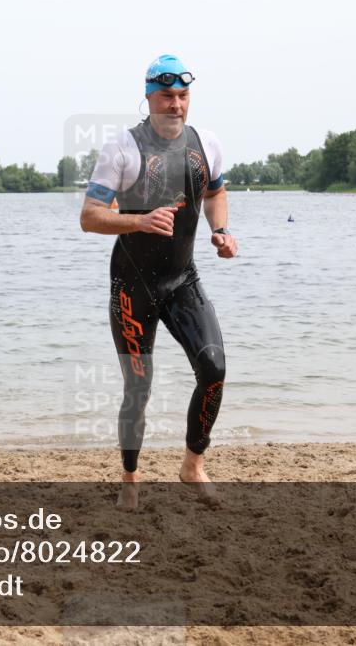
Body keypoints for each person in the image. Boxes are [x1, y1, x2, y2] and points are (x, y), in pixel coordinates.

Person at [79, 54, 238, 508]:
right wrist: (138, 220)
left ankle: (193, 466)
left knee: (214, 370)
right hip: (133, 285)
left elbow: (216, 191)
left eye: (183, 96)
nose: (176, 105)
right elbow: (89, 218)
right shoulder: (121, 149)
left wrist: (220, 231)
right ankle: (130, 478)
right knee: (139, 387)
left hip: (182, 279)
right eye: (167, 96)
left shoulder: (206, 143)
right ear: (148, 97)